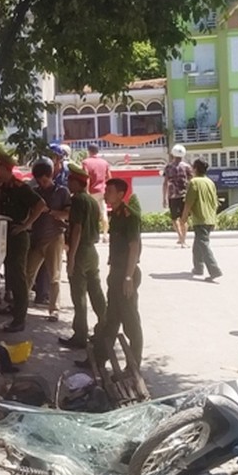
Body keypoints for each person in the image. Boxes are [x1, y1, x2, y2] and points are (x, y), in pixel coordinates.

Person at [0, 153, 46, 333]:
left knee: (18, 277)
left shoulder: (20, 187)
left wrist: (26, 225)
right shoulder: (3, 187)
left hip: (18, 236)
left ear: (6, 169)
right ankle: (13, 308)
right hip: (6, 235)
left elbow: (41, 204)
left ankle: (20, 318)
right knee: (10, 275)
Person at [93, 178, 144, 370]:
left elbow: (134, 248)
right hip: (116, 273)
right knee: (111, 320)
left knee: (130, 321)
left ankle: (133, 366)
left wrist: (128, 278)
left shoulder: (129, 215)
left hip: (126, 274)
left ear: (121, 194)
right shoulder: (115, 214)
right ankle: (100, 359)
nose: (106, 194)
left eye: (110, 191)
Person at [61, 164, 105, 349]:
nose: (68, 183)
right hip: (91, 251)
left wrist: (71, 257)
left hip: (80, 251)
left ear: (77, 183)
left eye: (70, 180)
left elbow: (77, 229)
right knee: (96, 292)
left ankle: (80, 335)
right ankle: (104, 328)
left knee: (78, 296)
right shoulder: (93, 201)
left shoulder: (78, 200)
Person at [24, 160, 71, 322]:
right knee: (28, 273)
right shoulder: (34, 192)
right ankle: (22, 306)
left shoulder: (62, 192)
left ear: (51, 176)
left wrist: (50, 211)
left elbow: (68, 214)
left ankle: (54, 310)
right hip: (37, 238)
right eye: (38, 181)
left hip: (55, 238)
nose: (41, 184)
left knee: (55, 276)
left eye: (44, 180)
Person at [185, 159, 222, 281]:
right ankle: (198, 268)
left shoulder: (194, 182)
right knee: (198, 244)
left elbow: (189, 202)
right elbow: (215, 201)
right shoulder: (210, 182)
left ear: (195, 169)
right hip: (210, 218)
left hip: (201, 219)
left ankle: (214, 269)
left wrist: (183, 218)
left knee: (203, 244)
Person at [163, 145, 191, 248]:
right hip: (184, 196)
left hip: (172, 196)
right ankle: (183, 240)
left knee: (174, 218)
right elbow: (191, 182)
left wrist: (164, 198)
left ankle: (180, 237)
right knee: (184, 219)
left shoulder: (168, 167)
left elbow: (165, 183)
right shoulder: (187, 167)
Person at [83, 145, 112, 238]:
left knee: (91, 213)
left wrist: (86, 191)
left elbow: (86, 177)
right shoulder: (104, 163)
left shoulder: (86, 162)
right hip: (103, 191)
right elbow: (109, 177)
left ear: (89, 151)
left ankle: (93, 235)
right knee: (104, 212)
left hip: (92, 191)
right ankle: (105, 235)